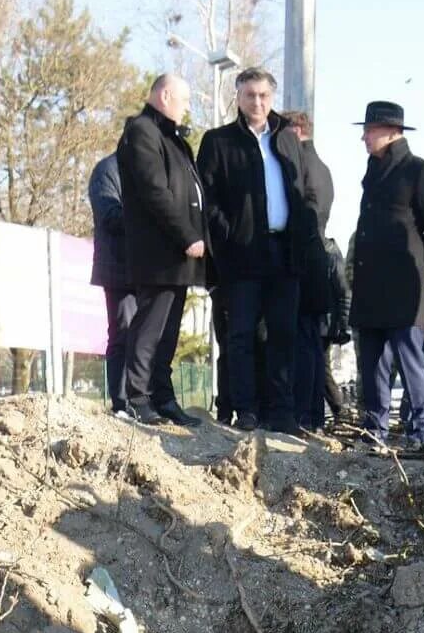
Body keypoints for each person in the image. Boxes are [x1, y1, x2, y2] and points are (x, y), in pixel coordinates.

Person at [196, 68, 318, 432]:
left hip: (285, 251)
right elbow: (208, 198)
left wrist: (305, 229)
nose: (257, 102)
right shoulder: (219, 141)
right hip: (243, 254)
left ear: (272, 97)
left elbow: (304, 190)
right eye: (250, 95)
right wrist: (229, 235)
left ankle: (280, 411)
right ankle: (245, 410)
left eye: (264, 95)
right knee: (242, 335)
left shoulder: (286, 138)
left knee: (283, 334)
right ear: (239, 96)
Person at [349, 101, 424, 452]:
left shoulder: (420, 172)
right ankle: (374, 428)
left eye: (370, 130)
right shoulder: (373, 173)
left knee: (410, 358)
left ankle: (421, 432)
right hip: (370, 285)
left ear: (392, 132)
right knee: (372, 359)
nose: (364, 137)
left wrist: (422, 263)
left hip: (405, 286)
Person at [117, 73, 207, 428]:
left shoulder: (169, 137)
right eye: (184, 100)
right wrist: (187, 234)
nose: (187, 108)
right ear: (165, 95)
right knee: (150, 326)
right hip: (159, 251)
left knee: (168, 331)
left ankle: (162, 396)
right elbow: (156, 191)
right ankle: (137, 397)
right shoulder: (142, 131)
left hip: (177, 255)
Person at [281, 110, 340, 432]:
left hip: (304, 263)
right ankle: (312, 416)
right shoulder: (322, 167)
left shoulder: (302, 165)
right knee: (312, 346)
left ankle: (303, 415)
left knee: (303, 345)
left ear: (298, 131)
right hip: (316, 263)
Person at [87, 152, 134, 415]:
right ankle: (122, 402)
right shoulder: (107, 170)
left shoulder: (149, 168)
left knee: (147, 336)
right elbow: (109, 216)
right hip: (119, 268)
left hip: (149, 269)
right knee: (123, 331)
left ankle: (144, 398)